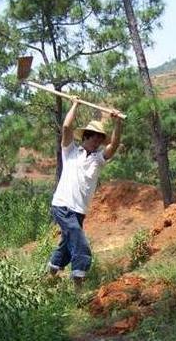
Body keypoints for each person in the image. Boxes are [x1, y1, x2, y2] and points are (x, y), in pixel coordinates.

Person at [47, 100, 122, 288]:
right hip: (63, 205)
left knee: (67, 243)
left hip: (79, 210)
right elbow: (66, 127)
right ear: (86, 137)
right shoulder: (71, 152)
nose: (97, 142)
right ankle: (78, 283)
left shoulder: (98, 159)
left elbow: (114, 145)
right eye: (95, 137)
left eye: (100, 139)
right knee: (80, 242)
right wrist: (75, 104)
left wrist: (117, 123)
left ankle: (50, 275)